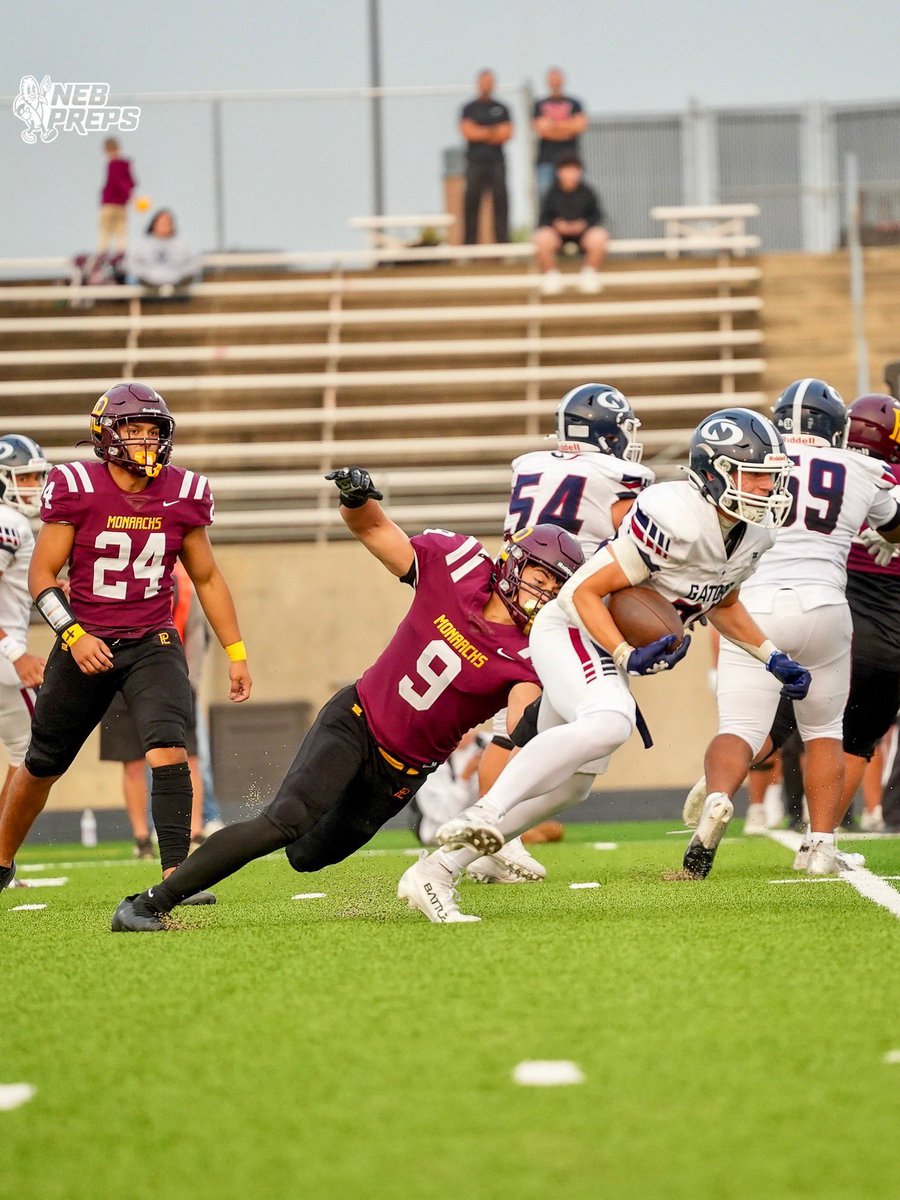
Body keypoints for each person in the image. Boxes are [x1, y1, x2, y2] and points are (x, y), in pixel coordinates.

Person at [109, 471, 584, 931]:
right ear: (514, 563)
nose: (542, 593)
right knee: (285, 821)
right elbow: (373, 527)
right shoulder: (457, 564)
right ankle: (149, 903)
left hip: (403, 770)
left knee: (308, 856)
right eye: (539, 578)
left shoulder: (533, 650)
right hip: (358, 720)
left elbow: (523, 721)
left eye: (554, 587)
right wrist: (356, 498)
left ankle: (210, 867)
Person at [401, 408, 812, 922]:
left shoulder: (753, 536)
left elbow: (722, 603)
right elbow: (583, 591)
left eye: (771, 477)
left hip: (604, 641)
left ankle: (433, 872)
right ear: (713, 472)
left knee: (574, 785)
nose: (766, 488)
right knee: (610, 722)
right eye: (753, 474)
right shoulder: (673, 514)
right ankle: (484, 810)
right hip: (572, 624)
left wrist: (771, 655)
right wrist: (623, 652)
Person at [0, 382, 251, 900]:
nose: (145, 441)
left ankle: (175, 875)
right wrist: (72, 633)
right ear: (108, 435)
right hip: (86, 638)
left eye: (153, 431)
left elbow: (206, 578)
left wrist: (236, 652)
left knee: (168, 745)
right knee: (41, 764)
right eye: (134, 430)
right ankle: (1, 862)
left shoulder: (183, 492)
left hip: (153, 639)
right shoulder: (76, 485)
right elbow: (43, 576)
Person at [682, 381, 900, 878]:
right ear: (836, 426)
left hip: (754, 607)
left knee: (739, 728)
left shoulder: (756, 462)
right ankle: (820, 846)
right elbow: (894, 524)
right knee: (824, 731)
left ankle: (718, 802)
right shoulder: (862, 467)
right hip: (826, 607)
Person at [477, 383, 654, 833]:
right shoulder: (618, 475)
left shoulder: (530, 464)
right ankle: (487, 830)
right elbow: (635, 539)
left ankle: (490, 829)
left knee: (519, 723)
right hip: (564, 605)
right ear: (609, 433)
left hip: (514, 592)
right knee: (529, 727)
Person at [99, 561, 208, 860]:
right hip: (117, 673)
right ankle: (142, 839)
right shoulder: (112, 566)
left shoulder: (182, 578)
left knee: (187, 756)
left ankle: (194, 832)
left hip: (169, 674)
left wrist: (191, 680)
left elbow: (197, 629)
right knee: (131, 761)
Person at [0, 436, 49, 815]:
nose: (34, 486)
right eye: (27, 477)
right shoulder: (9, 522)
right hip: (3, 656)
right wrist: (15, 652)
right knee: (33, 755)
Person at [534, 156, 608, 295]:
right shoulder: (551, 193)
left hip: (583, 235)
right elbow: (543, 218)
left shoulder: (588, 192)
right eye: (566, 170)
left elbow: (597, 216)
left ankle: (589, 273)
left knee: (600, 236)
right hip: (557, 236)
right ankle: (551, 274)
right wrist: (557, 225)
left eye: (573, 170)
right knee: (541, 237)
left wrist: (583, 225)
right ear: (558, 172)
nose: (570, 174)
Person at [460, 70, 513, 245]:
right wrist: (492, 132)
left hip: (497, 162)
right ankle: (469, 247)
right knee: (472, 202)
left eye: (489, 81)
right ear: (478, 83)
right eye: (483, 81)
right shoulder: (469, 109)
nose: (486, 85)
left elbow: (506, 133)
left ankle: (503, 245)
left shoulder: (502, 108)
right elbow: (468, 132)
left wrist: (481, 131)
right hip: (475, 162)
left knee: (500, 201)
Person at [532, 68, 588, 200]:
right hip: (546, 160)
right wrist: (567, 125)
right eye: (552, 80)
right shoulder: (539, 104)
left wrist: (553, 125)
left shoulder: (575, 103)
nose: (555, 83)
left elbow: (579, 126)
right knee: (546, 198)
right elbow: (541, 129)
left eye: (557, 80)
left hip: (571, 161)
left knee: (576, 199)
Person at [127, 209, 200, 295]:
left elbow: (194, 263)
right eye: (161, 222)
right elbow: (132, 264)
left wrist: (179, 276)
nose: (164, 225)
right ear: (154, 224)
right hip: (148, 285)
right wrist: (147, 276)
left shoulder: (184, 242)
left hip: (178, 283)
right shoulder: (142, 243)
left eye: (167, 222)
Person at [97, 137, 136, 257]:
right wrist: (130, 194)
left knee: (106, 230)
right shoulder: (125, 165)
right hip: (121, 203)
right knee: (120, 231)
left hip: (110, 203)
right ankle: (120, 253)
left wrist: (128, 194)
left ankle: (103, 254)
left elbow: (117, 182)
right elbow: (132, 181)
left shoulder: (113, 165)